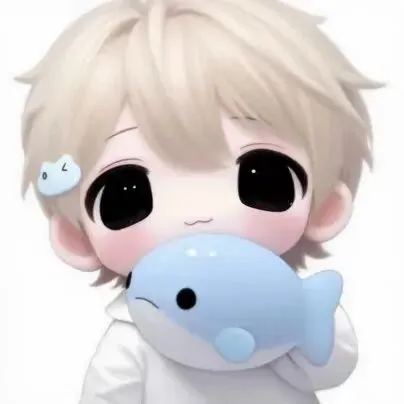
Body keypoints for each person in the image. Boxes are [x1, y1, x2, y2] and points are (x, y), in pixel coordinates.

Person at [18, 0, 381, 402]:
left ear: (326, 208)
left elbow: (330, 368)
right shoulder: (135, 334)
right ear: (76, 239)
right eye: (126, 195)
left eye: (262, 178)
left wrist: (292, 318)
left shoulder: (295, 306)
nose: (196, 214)